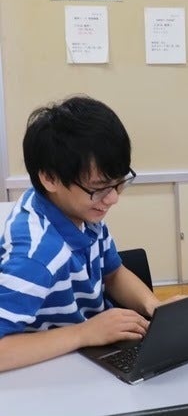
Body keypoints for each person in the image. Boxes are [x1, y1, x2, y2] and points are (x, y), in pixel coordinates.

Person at [0, 96, 167, 372]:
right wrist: (84, 333)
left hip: (94, 347)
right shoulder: (37, 255)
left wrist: (155, 307)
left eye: (119, 183)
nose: (113, 198)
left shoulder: (78, 212)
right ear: (49, 178)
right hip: (52, 366)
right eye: (99, 188)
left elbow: (113, 273)